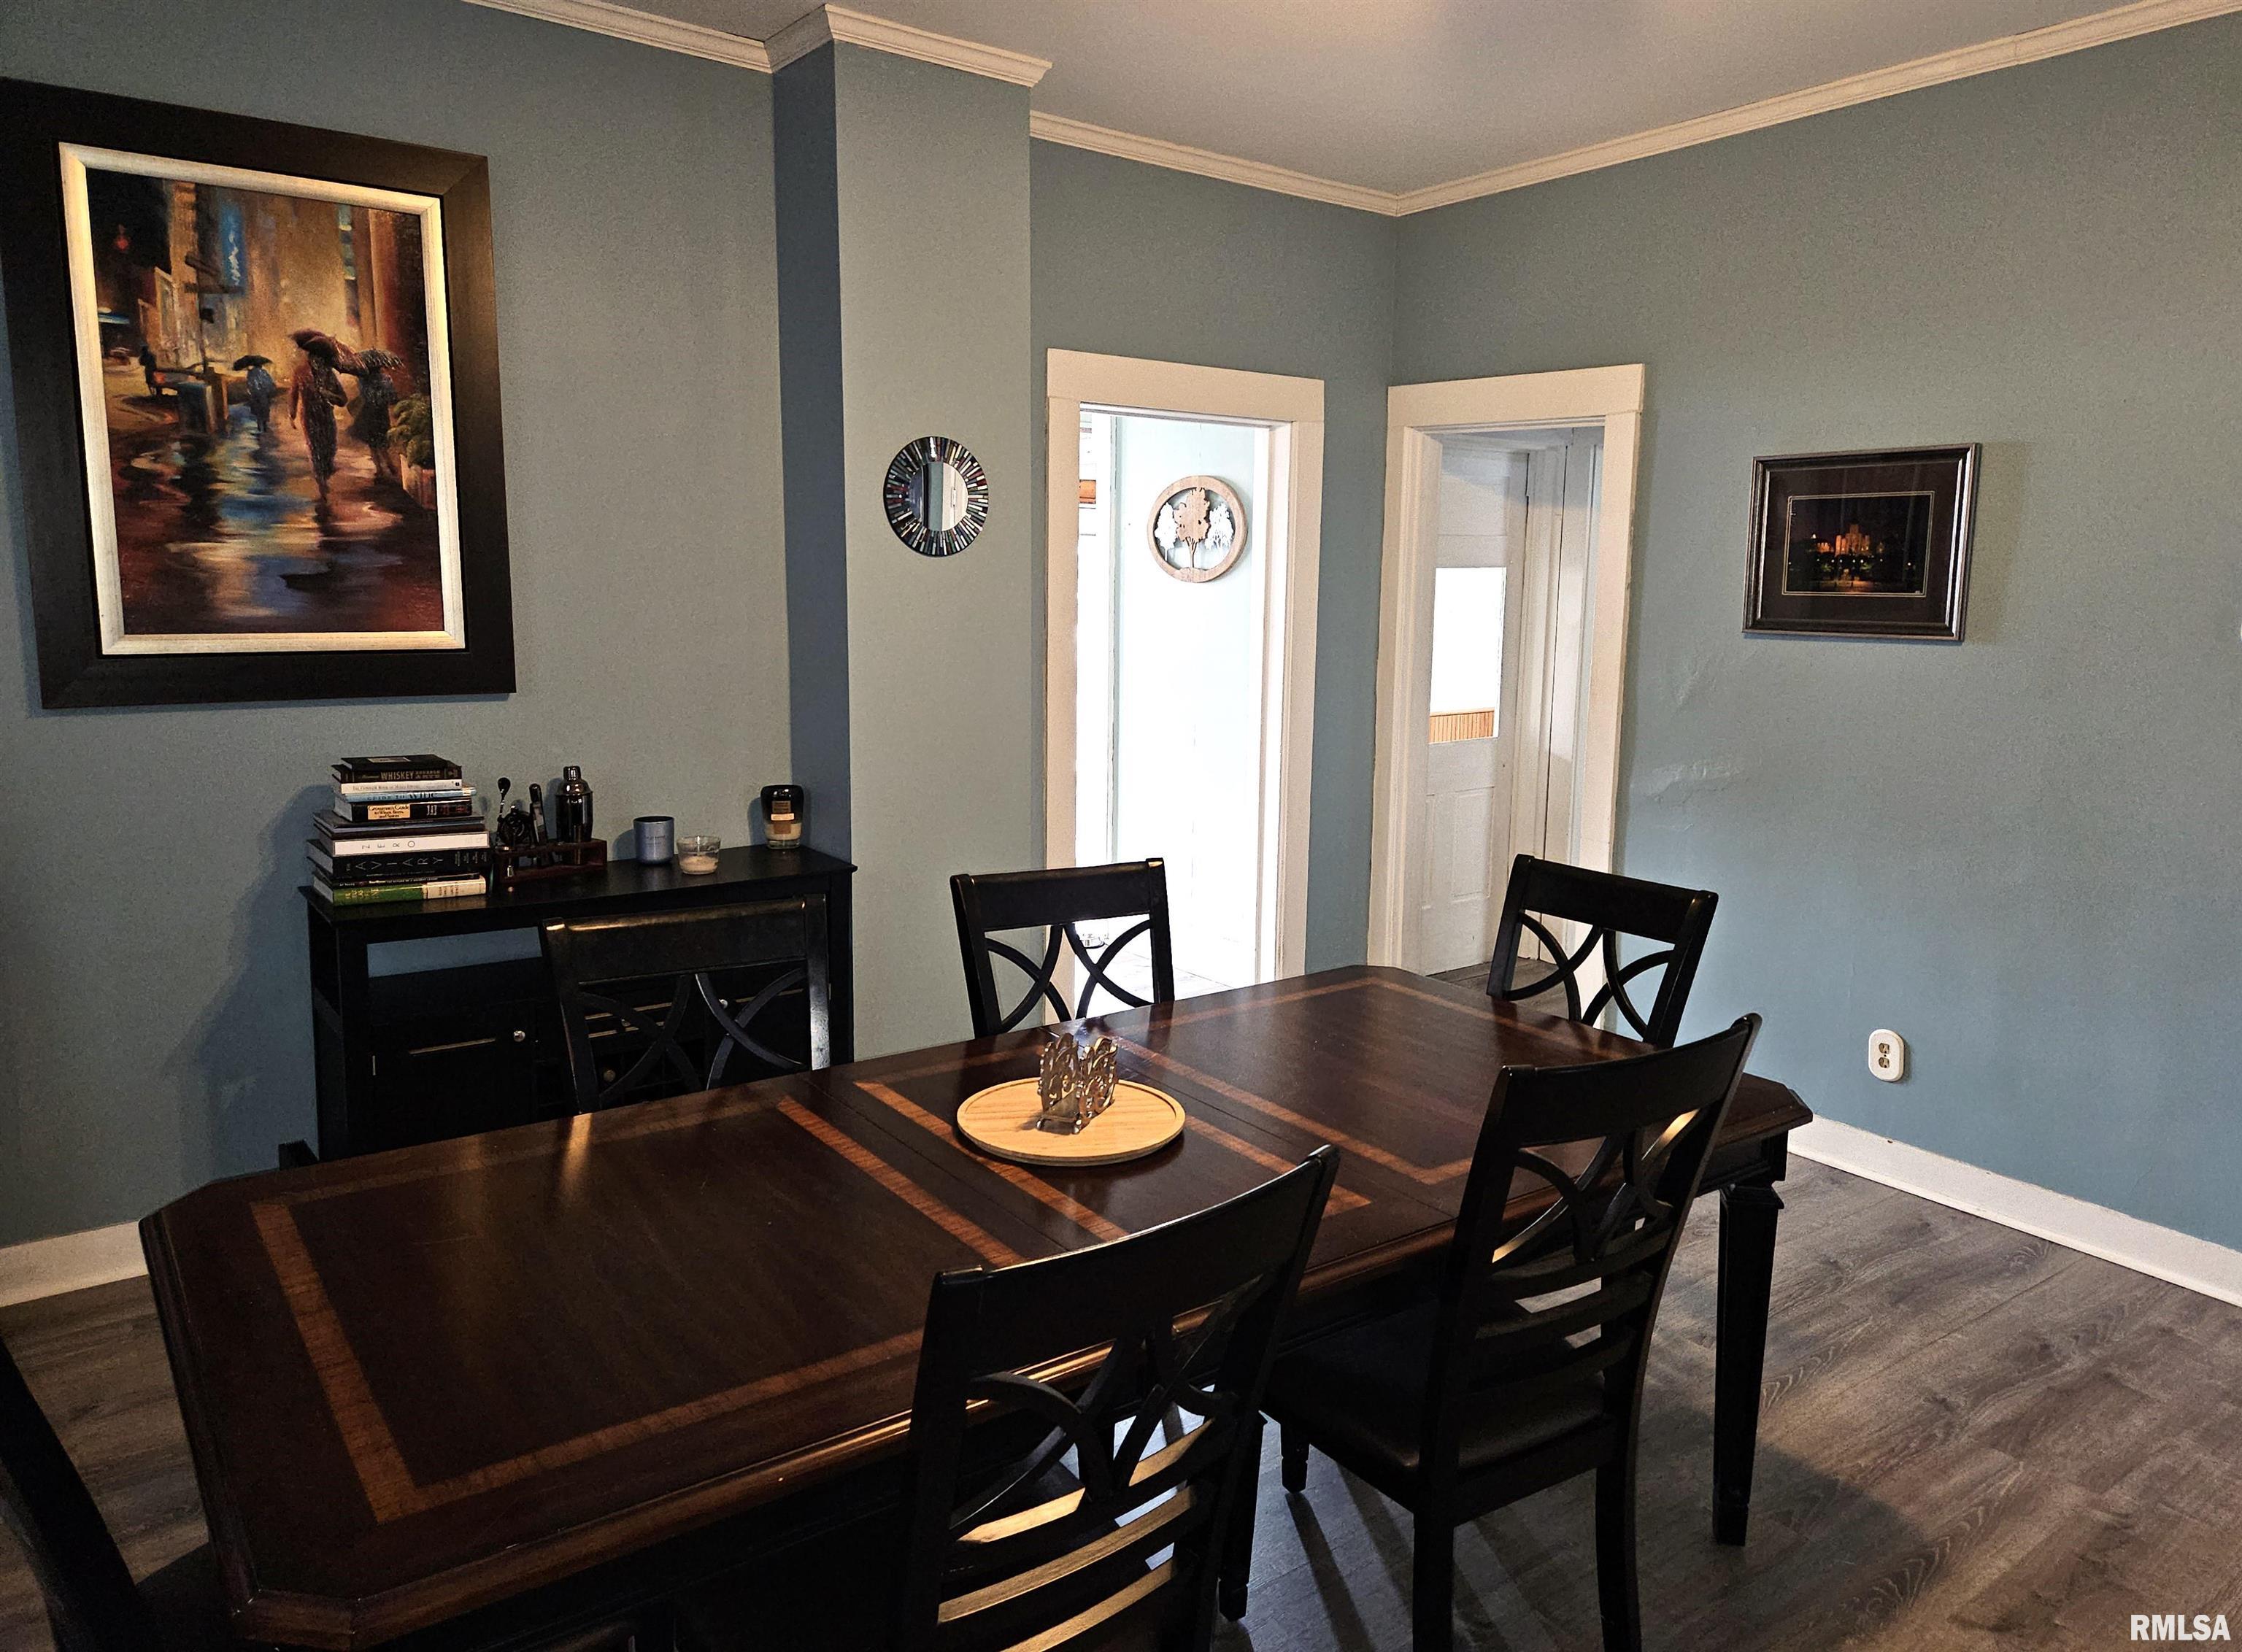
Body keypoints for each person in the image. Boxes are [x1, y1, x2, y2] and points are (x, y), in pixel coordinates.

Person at [288, 330, 348, 500]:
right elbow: (293, 394)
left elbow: (343, 399)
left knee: (330, 447)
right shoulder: (300, 372)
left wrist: (331, 396)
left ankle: (325, 472)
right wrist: (291, 414)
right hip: (309, 416)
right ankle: (321, 481)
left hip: (326, 416)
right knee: (315, 449)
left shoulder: (328, 373)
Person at [340, 347, 404, 484]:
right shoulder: (386, 379)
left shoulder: (363, 380)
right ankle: (390, 465)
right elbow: (392, 397)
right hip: (381, 412)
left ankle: (380, 469)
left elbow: (364, 394)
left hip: (368, 412)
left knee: (372, 443)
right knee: (382, 440)